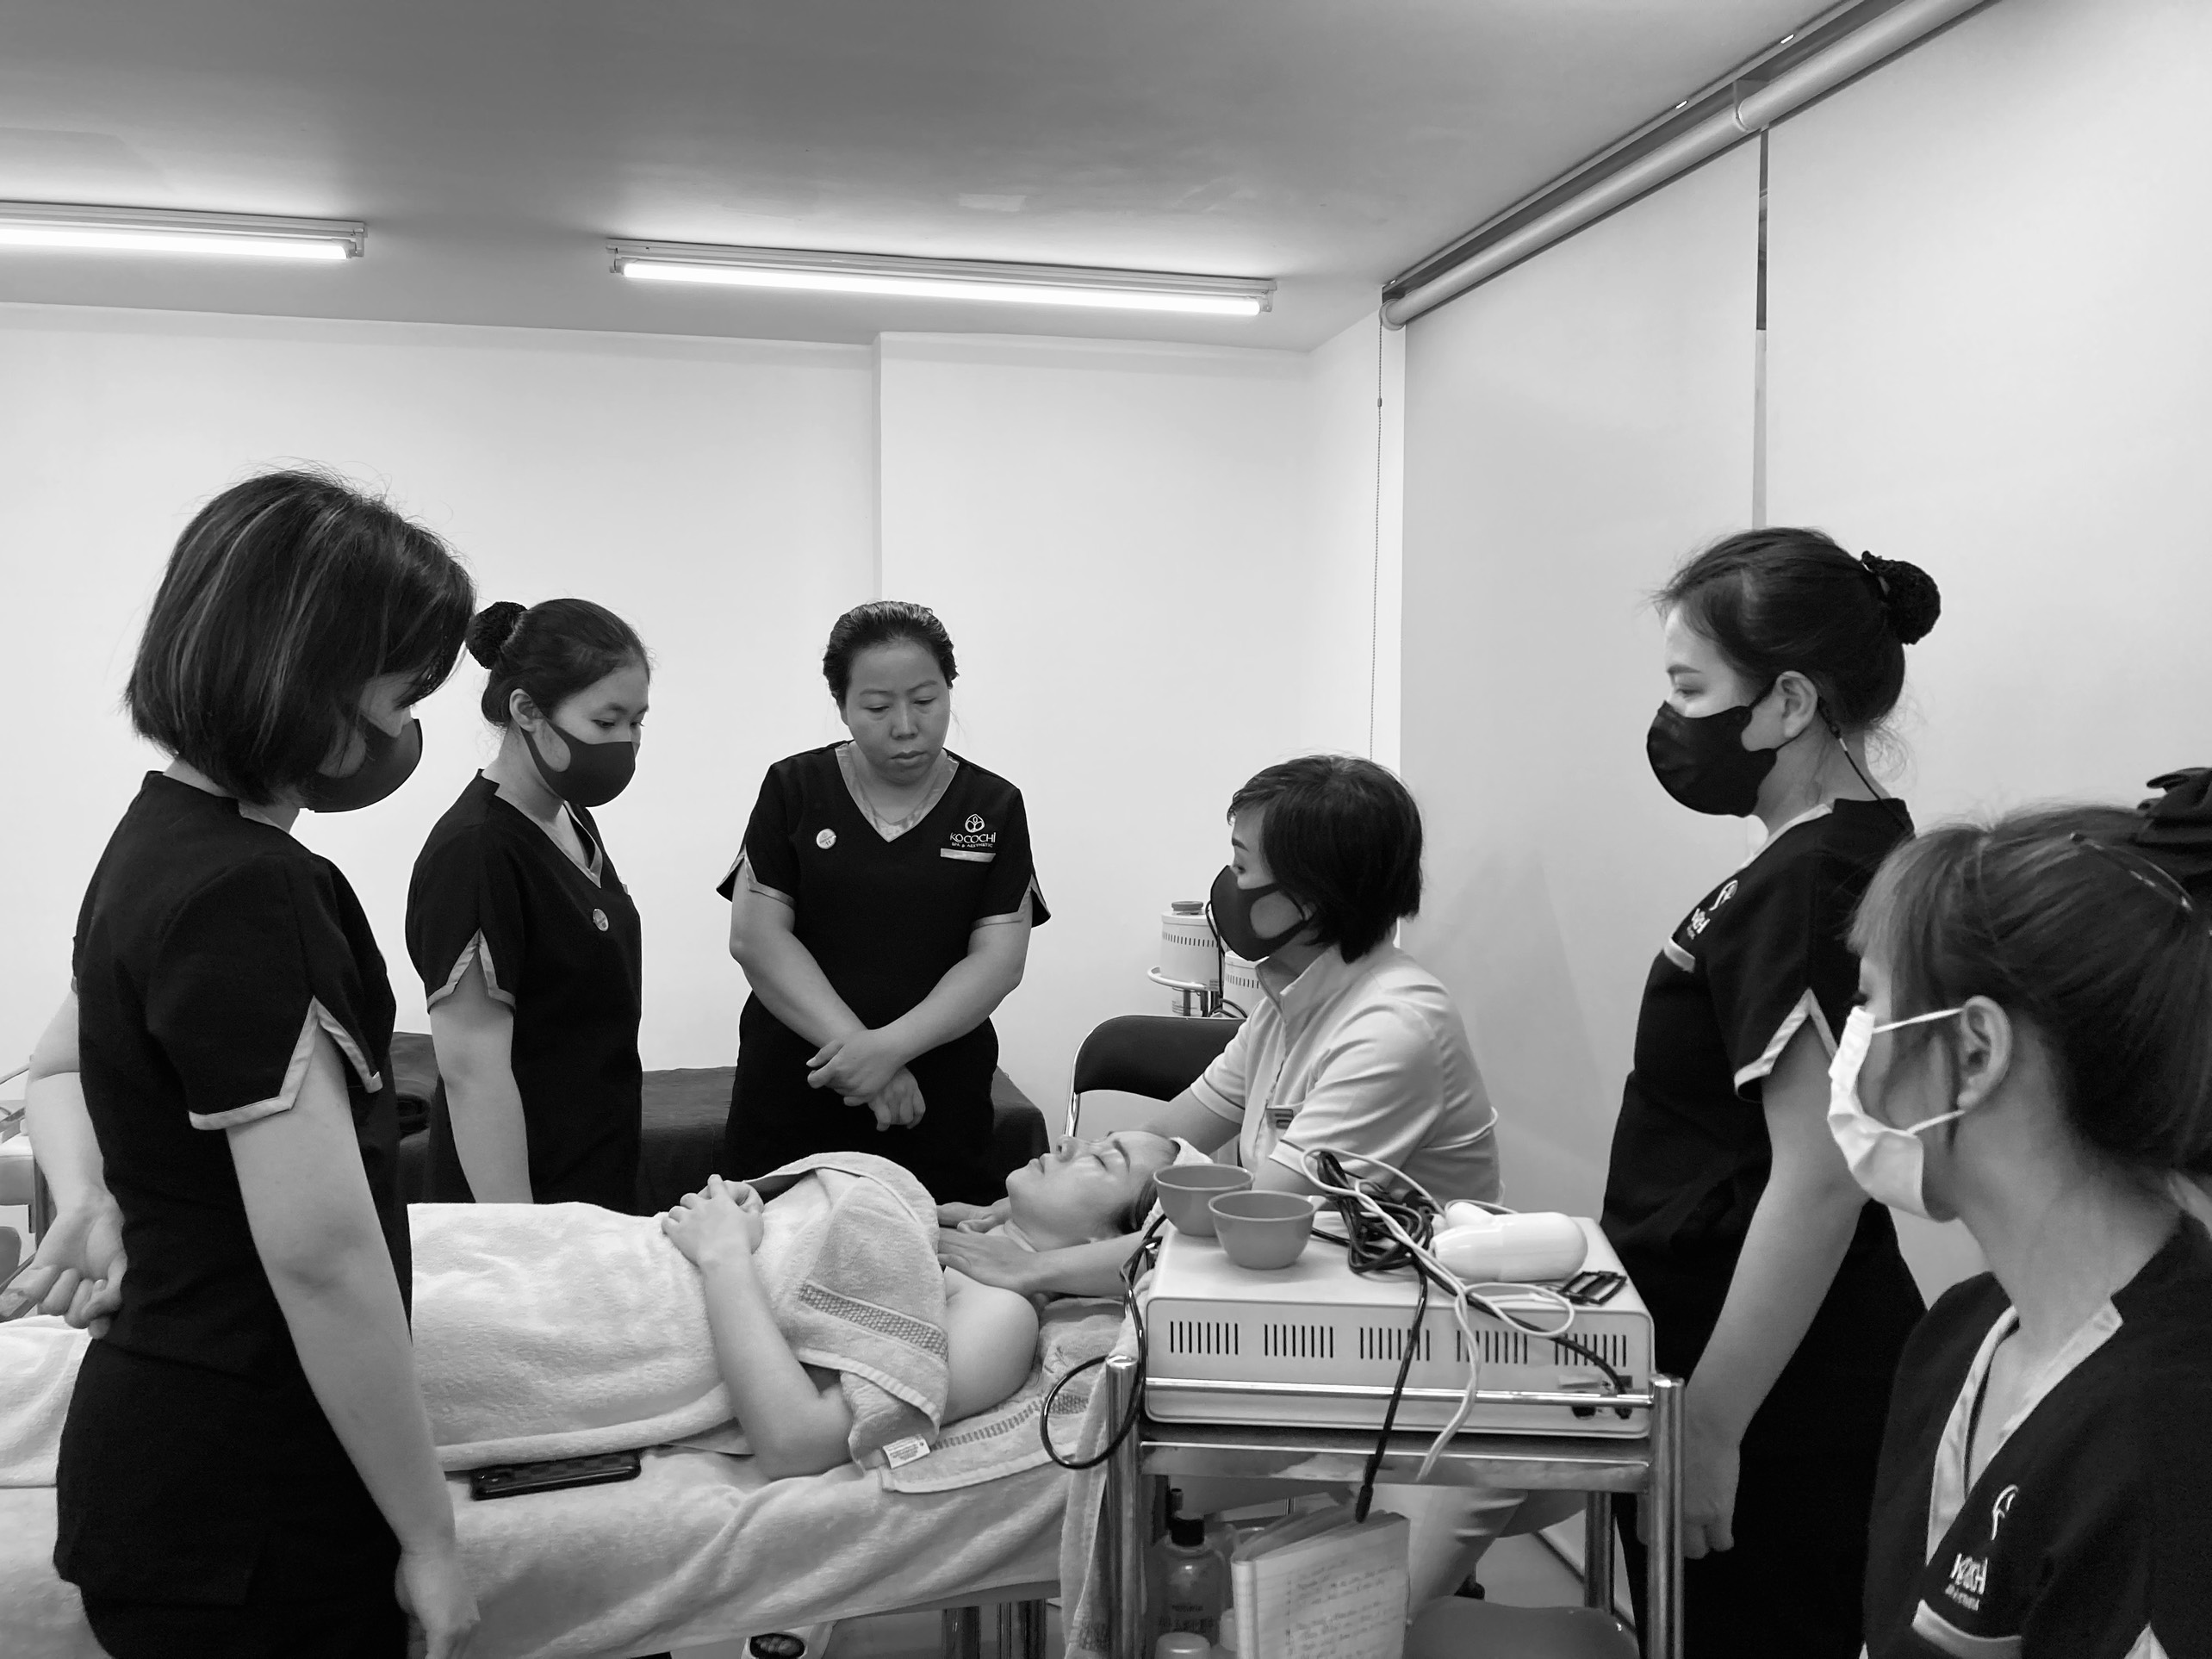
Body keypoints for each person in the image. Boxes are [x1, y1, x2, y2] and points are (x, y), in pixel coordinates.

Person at [16, 471, 479, 1658]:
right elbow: (322, 1257)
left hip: (166, 1479)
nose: (408, 730)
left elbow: (52, 1069)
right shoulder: (254, 892)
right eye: (403, 692)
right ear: (309, 677)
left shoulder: (153, 842)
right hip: (251, 1513)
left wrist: (96, 1198)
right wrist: (429, 1535)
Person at [939, 754, 1515, 1606]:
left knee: (1343, 1626)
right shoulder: (1292, 1005)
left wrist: (1035, 1267)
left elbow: (1240, 1232)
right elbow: (1161, 1136)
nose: (1227, 889)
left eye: (1242, 867)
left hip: (1433, 1384)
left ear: (1308, 897)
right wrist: (1014, 1214)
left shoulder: (1390, 1029)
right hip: (1319, 1325)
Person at [1600, 530, 1942, 1656]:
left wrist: (1709, 1423)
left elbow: (1822, 1173)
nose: (1671, 719)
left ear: (1789, 700)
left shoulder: (1810, 877)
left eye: (1691, 689)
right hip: (1765, 1368)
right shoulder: (1831, 850)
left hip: (1773, 1401)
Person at [1846, 805, 2212, 1656]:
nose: (1851, 1052)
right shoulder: (1955, 1335)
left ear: (1975, 1052)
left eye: (1866, 1002)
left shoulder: (2169, 1444)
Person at [720, 601, 1046, 1203]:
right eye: (876, 707)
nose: (905, 725)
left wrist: (889, 1050)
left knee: (938, 1244)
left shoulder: (993, 806)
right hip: (802, 1081)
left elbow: (999, 961)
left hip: (937, 1093)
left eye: (925, 701)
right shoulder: (794, 789)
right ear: (842, 704)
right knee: (774, 1244)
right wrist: (865, 1059)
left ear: (949, 690)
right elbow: (757, 939)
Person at [407, 599, 650, 1209]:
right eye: (606, 722)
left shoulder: (571, 818)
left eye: (637, 722)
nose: (626, 742)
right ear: (527, 711)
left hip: (593, 1174)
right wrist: (525, 1238)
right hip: (523, 1205)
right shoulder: (478, 850)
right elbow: (472, 1074)